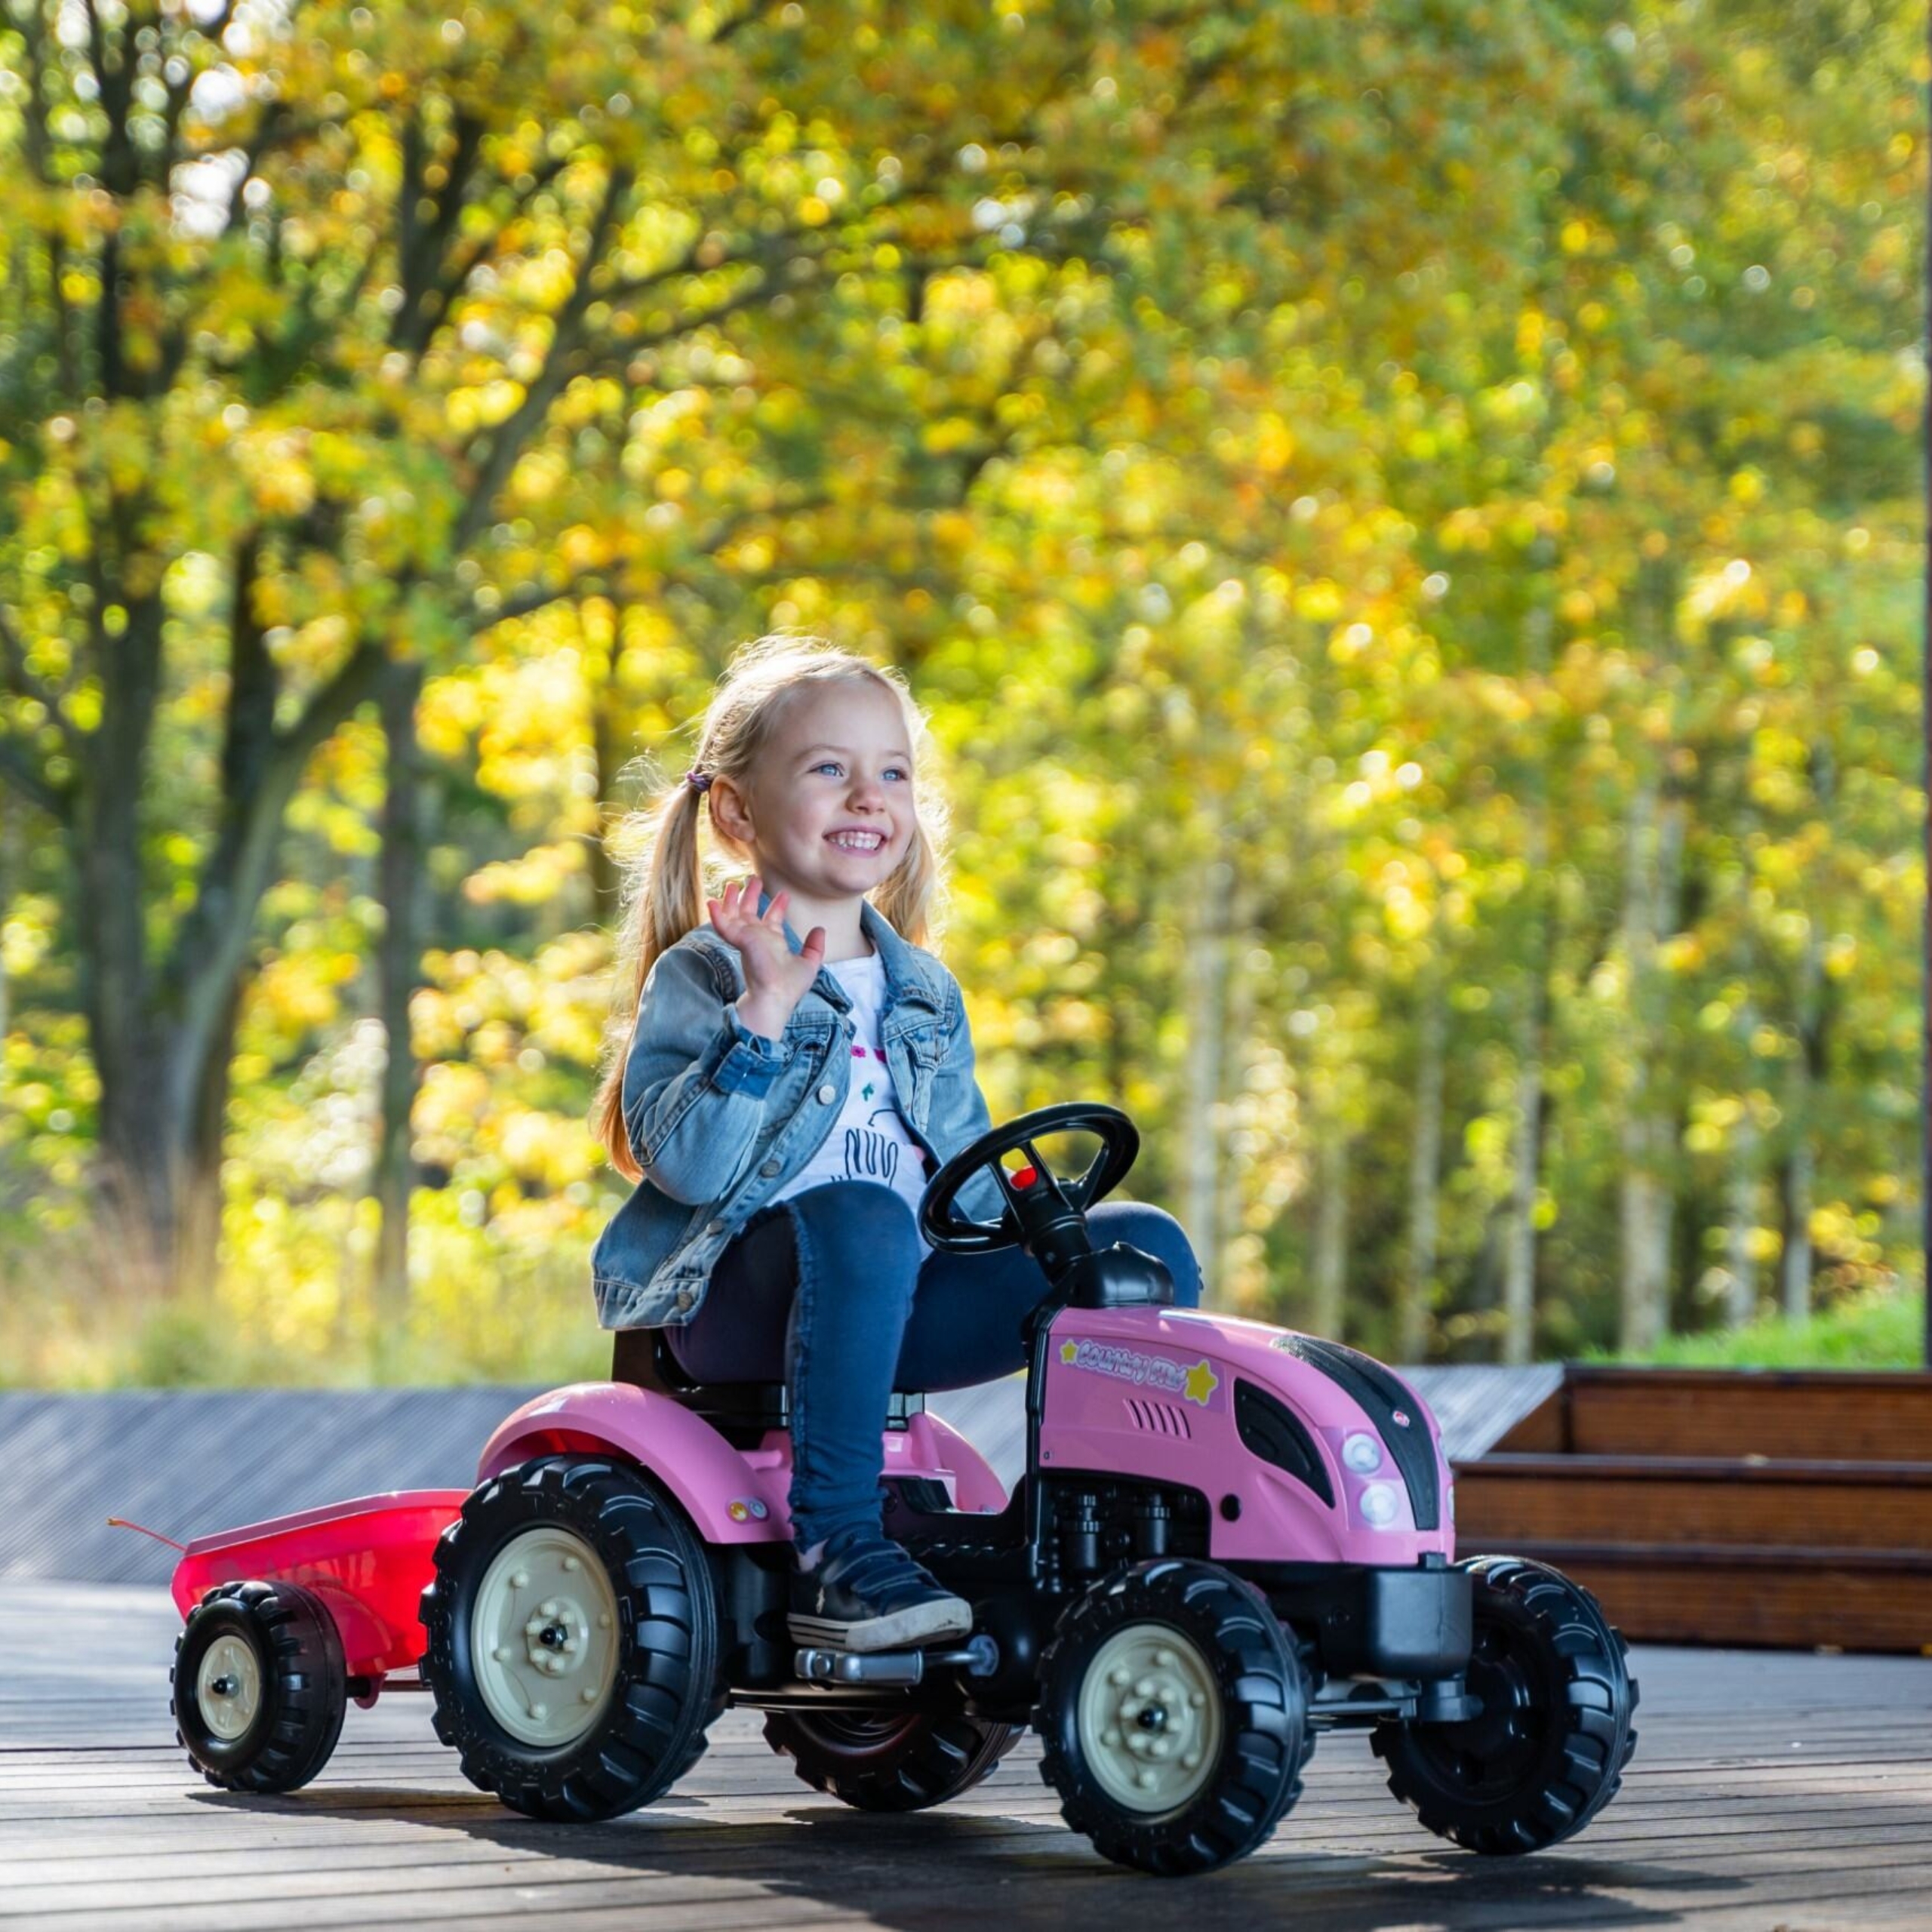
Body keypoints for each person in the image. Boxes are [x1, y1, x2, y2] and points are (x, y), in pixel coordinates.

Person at [589, 635, 1204, 1653]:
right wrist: (764, 1019)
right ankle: (837, 1545)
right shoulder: (707, 974)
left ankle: (1091, 1539)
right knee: (865, 1216)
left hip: (896, 1296)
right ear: (738, 813)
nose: (869, 796)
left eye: (893, 773)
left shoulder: (924, 990)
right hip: (735, 1309)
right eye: (829, 769)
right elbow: (689, 1168)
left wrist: (1034, 1224)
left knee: (1140, 1250)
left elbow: (961, 1177)